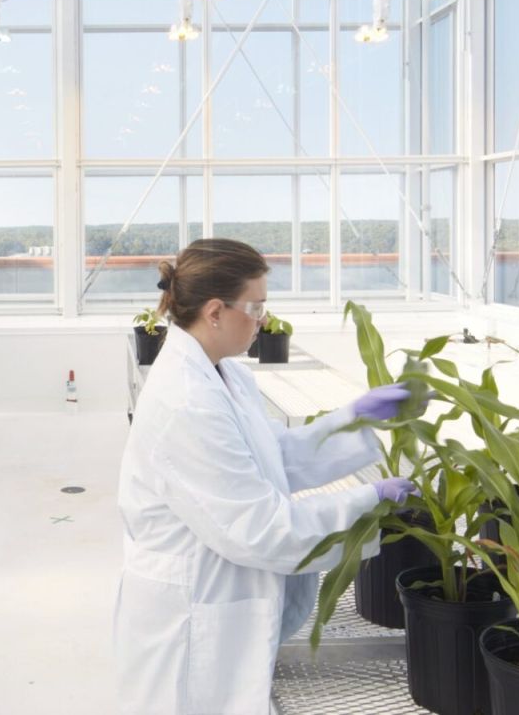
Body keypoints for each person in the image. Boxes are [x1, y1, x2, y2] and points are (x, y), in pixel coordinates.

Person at [113, 239, 416, 714]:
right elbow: (261, 527)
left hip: (218, 595)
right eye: (256, 307)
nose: (263, 321)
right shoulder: (186, 401)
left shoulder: (224, 375)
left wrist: (357, 419)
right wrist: (367, 503)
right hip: (192, 614)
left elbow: (271, 455)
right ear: (215, 311)